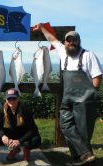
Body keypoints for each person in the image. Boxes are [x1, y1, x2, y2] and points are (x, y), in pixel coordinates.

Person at [33, 23, 103, 165]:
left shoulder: (89, 55)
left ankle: (78, 158)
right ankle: (86, 154)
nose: (71, 42)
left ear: (78, 41)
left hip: (85, 100)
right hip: (68, 98)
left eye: (74, 40)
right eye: (68, 40)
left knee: (83, 131)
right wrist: (41, 28)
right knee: (65, 125)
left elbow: (97, 78)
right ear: (65, 42)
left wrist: (90, 95)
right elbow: (51, 39)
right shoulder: (63, 52)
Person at [0, 88, 41, 161]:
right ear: (6, 100)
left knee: (36, 140)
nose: (11, 101)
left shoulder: (25, 110)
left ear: (18, 99)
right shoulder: (3, 110)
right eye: (9, 99)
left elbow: (33, 129)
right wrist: (3, 136)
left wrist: (19, 141)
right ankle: (15, 149)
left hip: (26, 133)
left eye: (14, 98)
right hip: (14, 132)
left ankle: (26, 149)